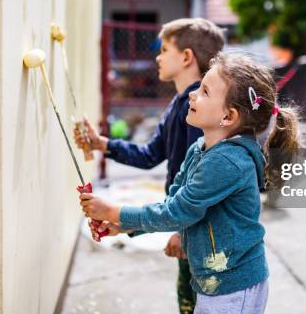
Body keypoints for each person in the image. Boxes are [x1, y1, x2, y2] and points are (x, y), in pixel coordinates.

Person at [79, 53, 301, 313]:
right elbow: (175, 204)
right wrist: (125, 226)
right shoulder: (200, 148)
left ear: (228, 117)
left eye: (205, 91)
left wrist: (113, 211)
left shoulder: (227, 162)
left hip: (233, 286)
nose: (193, 94)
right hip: (214, 279)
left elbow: (178, 212)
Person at [74, 18, 225, 313]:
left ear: (185, 57)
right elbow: (150, 154)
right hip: (187, 224)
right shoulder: (179, 104)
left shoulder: (196, 111)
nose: (157, 56)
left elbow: (200, 182)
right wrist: (102, 144)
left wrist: (182, 231)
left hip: (198, 232)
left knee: (196, 302)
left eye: (164, 48)